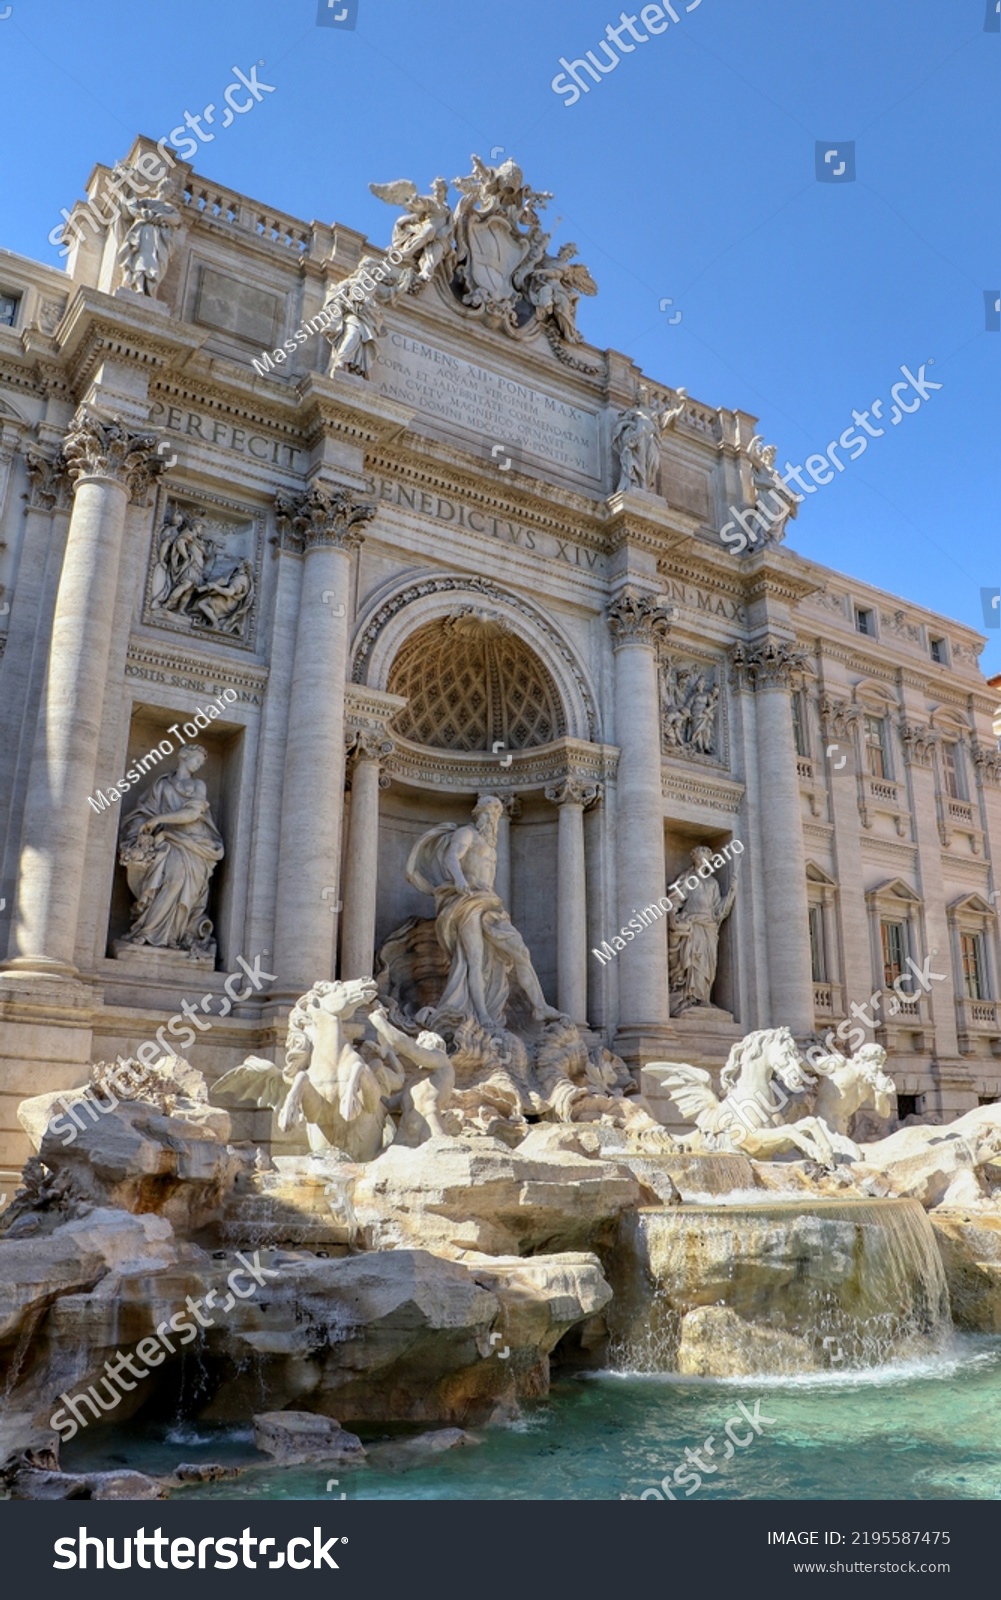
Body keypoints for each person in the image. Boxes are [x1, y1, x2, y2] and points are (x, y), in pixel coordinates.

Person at [406, 795, 561, 1031]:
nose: (493, 819)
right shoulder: (467, 833)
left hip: (490, 904)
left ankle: (539, 1006)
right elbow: (451, 857)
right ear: (479, 814)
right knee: (473, 959)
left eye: (497, 815)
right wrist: (459, 880)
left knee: (520, 951)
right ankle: (480, 1014)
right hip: (467, 901)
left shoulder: (490, 846)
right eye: (489, 814)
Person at [118, 745, 224, 953]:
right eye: (196, 760)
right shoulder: (161, 785)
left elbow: (192, 814)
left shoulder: (198, 785)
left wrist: (159, 819)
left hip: (193, 845)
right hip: (166, 842)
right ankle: (149, 931)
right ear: (183, 757)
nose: (198, 765)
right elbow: (144, 812)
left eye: (202, 763)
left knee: (179, 883)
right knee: (167, 882)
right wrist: (144, 826)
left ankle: (171, 935)